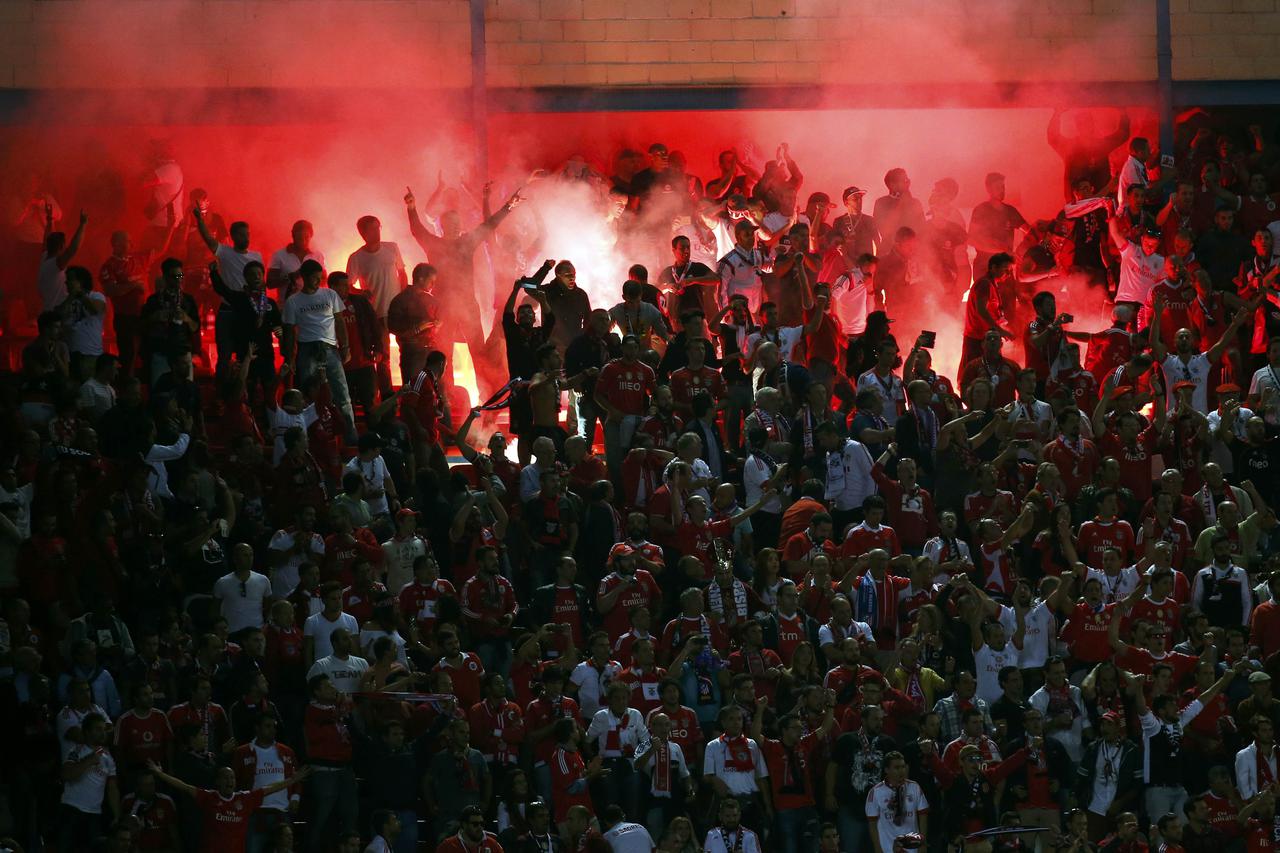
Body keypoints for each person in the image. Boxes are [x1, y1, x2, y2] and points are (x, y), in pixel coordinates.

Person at [146, 759, 311, 853]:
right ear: (217, 781)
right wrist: (160, 774)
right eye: (225, 778)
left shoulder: (245, 799)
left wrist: (293, 780)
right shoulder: (209, 797)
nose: (229, 781)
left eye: (232, 778)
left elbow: (270, 789)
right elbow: (183, 786)